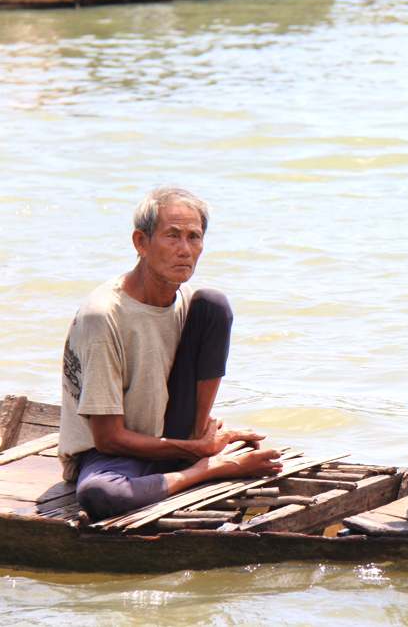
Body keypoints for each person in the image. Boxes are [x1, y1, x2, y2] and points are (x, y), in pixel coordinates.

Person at [58, 187, 282, 521]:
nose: (185, 250)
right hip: (113, 451)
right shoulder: (104, 316)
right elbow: (108, 439)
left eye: (194, 237)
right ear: (141, 243)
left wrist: (195, 437)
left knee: (214, 304)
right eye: (172, 236)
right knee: (100, 495)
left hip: (171, 436)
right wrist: (203, 454)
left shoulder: (189, 303)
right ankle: (206, 469)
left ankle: (195, 446)